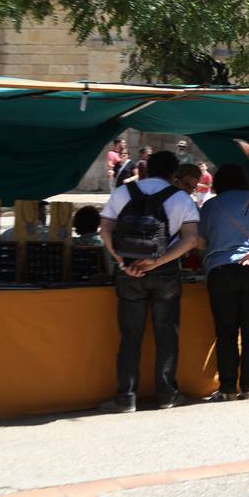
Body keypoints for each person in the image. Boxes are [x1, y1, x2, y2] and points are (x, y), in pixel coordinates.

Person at [98, 149, 200, 412]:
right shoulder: (181, 199)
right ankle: (167, 395)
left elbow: (105, 230)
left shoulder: (122, 192)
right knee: (167, 335)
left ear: (144, 169)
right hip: (165, 273)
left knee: (130, 336)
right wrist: (158, 261)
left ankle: (126, 397)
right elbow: (189, 239)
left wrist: (122, 262)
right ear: (174, 174)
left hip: (129, 271)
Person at [197, 164, 249, 402]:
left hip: (222, 271)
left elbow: (199, 242)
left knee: (226, 331)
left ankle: (227, 388)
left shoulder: (211, 205)